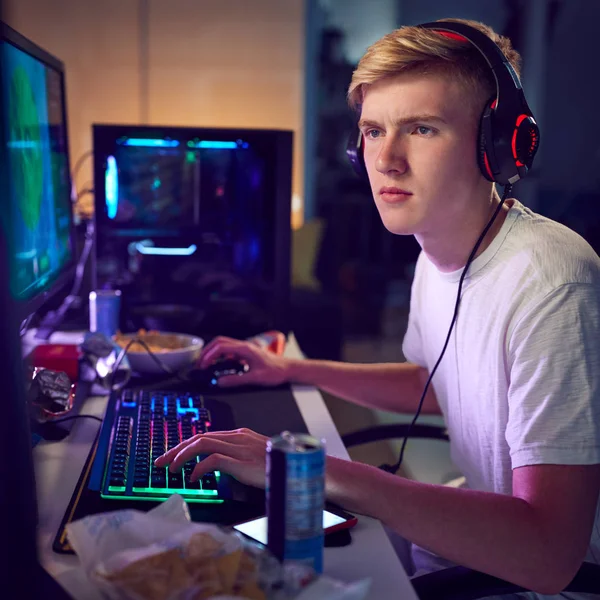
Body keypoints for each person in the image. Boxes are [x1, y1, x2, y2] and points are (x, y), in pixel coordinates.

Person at [155, 18, 600, 596]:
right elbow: (434, 382)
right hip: (462, 550)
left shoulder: (553, 282)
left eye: (421, 128)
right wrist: (293, 368)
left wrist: (314, 470)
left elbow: (547, 555)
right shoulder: (435, 251)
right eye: (371, 131)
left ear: (499, 144)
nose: (386, 159)